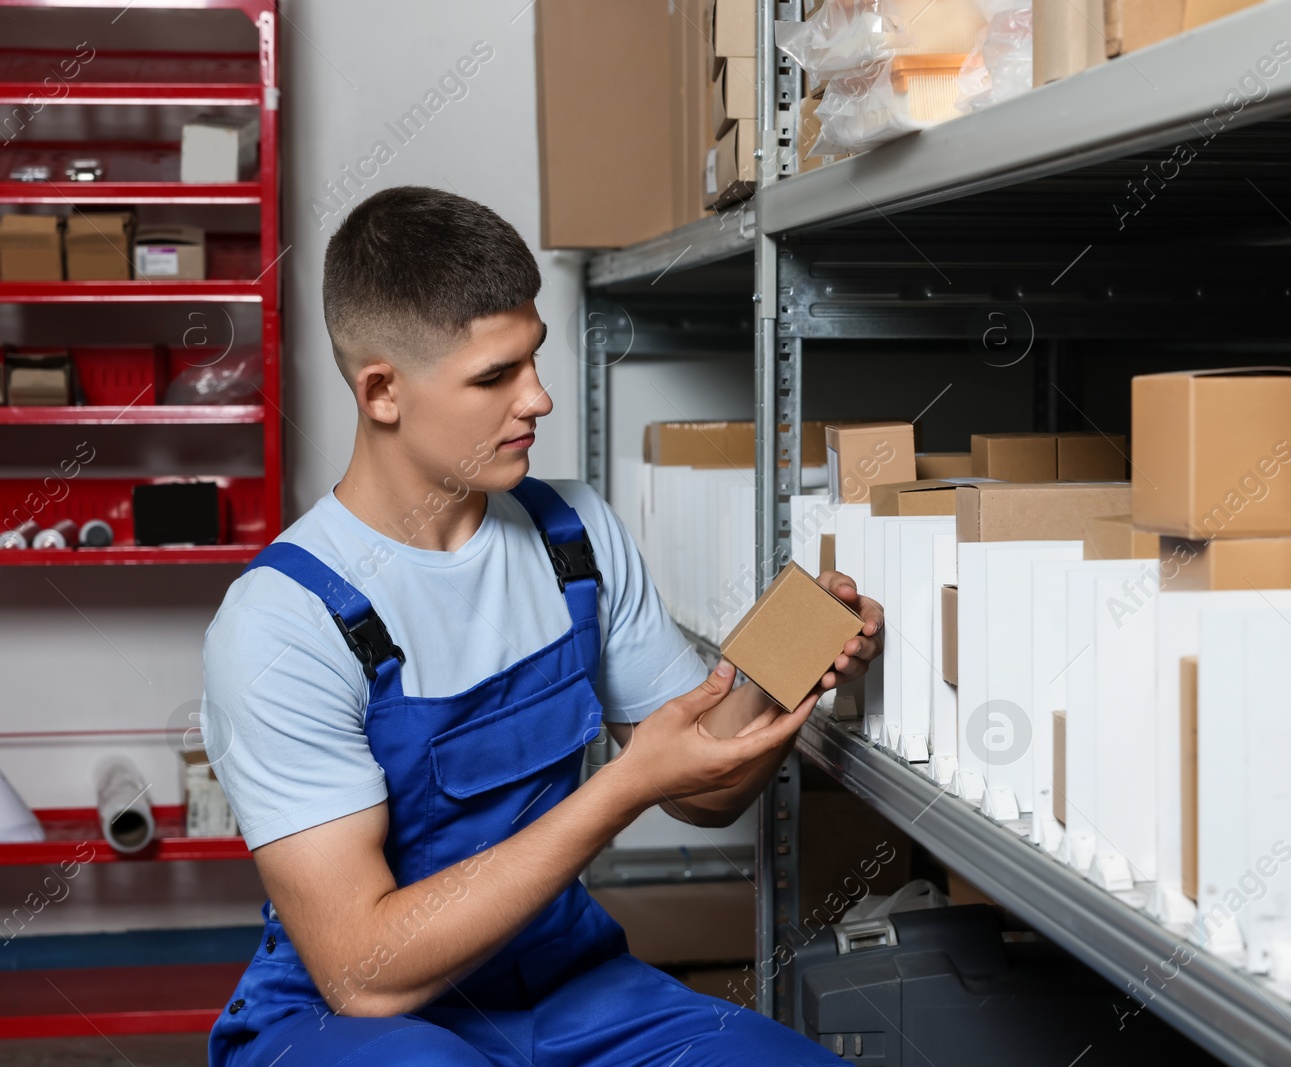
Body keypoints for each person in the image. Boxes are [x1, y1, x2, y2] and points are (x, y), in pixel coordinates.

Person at [201, 186, 882, 1066]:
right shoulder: (283, 621)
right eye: (494, 377)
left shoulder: (576, 538)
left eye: (535, 358)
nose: (540, 399)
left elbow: (703, 790)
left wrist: (789, 657)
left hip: (564, 984)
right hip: (352, 1023)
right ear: (382, 392)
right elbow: (363, 972)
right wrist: (624, 786)